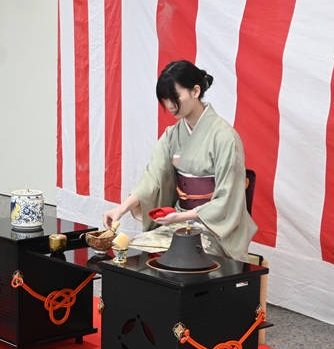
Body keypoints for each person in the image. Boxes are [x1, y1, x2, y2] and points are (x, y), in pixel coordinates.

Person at [103, 60, 257, 262]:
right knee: (135, 250)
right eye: (165, 98)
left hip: (215, 229)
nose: (170, 105)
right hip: (177, 222)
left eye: (175, 97)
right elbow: (153, 176)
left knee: (182, 259)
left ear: (195, 91)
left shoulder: (225, 137)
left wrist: (182, 216)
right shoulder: (172, 135)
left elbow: (227, 198)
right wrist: (122, 208)